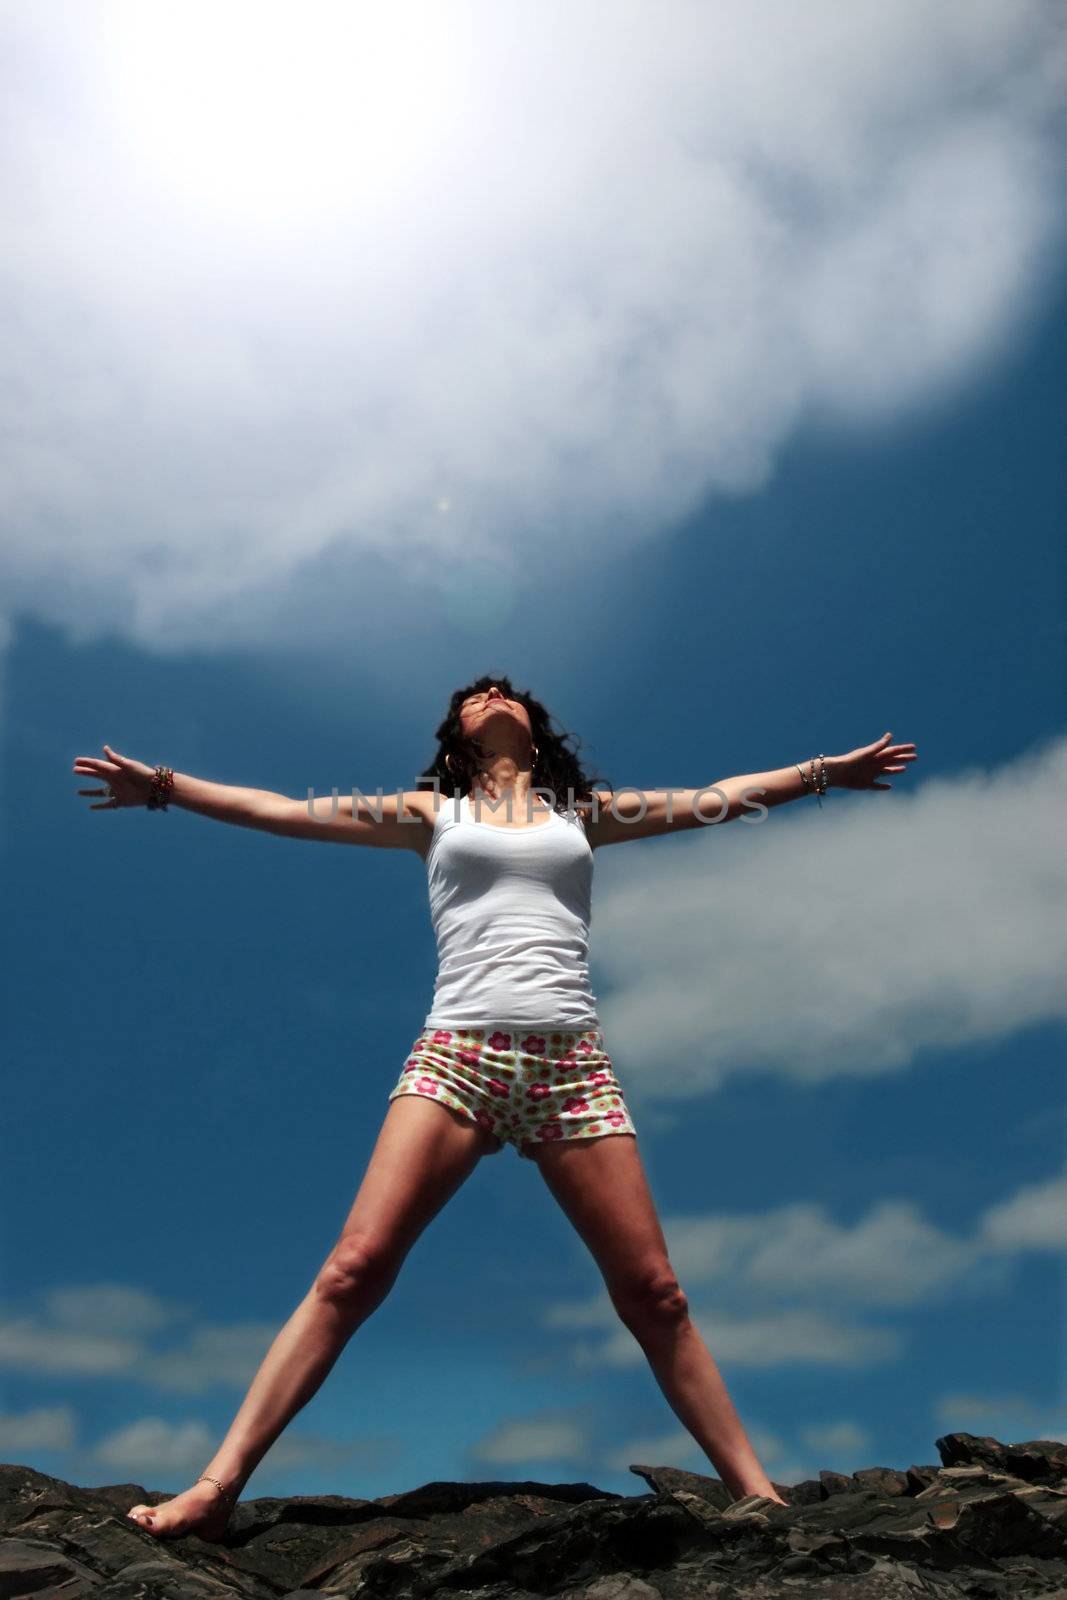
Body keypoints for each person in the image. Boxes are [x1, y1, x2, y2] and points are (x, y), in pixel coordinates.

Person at [72, 675, 917, 1539]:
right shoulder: (426, 814)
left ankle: (757, 1496)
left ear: (534, 725)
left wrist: (826, 774)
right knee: (353, 1270)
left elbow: (723, 798)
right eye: (474, 694)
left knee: (654, 1294)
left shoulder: (583, 815)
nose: (491, 694)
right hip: (458, 1057)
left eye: (504, 689)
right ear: (455, 732)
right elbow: (278, 808)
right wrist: (164, 789)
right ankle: (215, 1490)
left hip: (570, 1067)